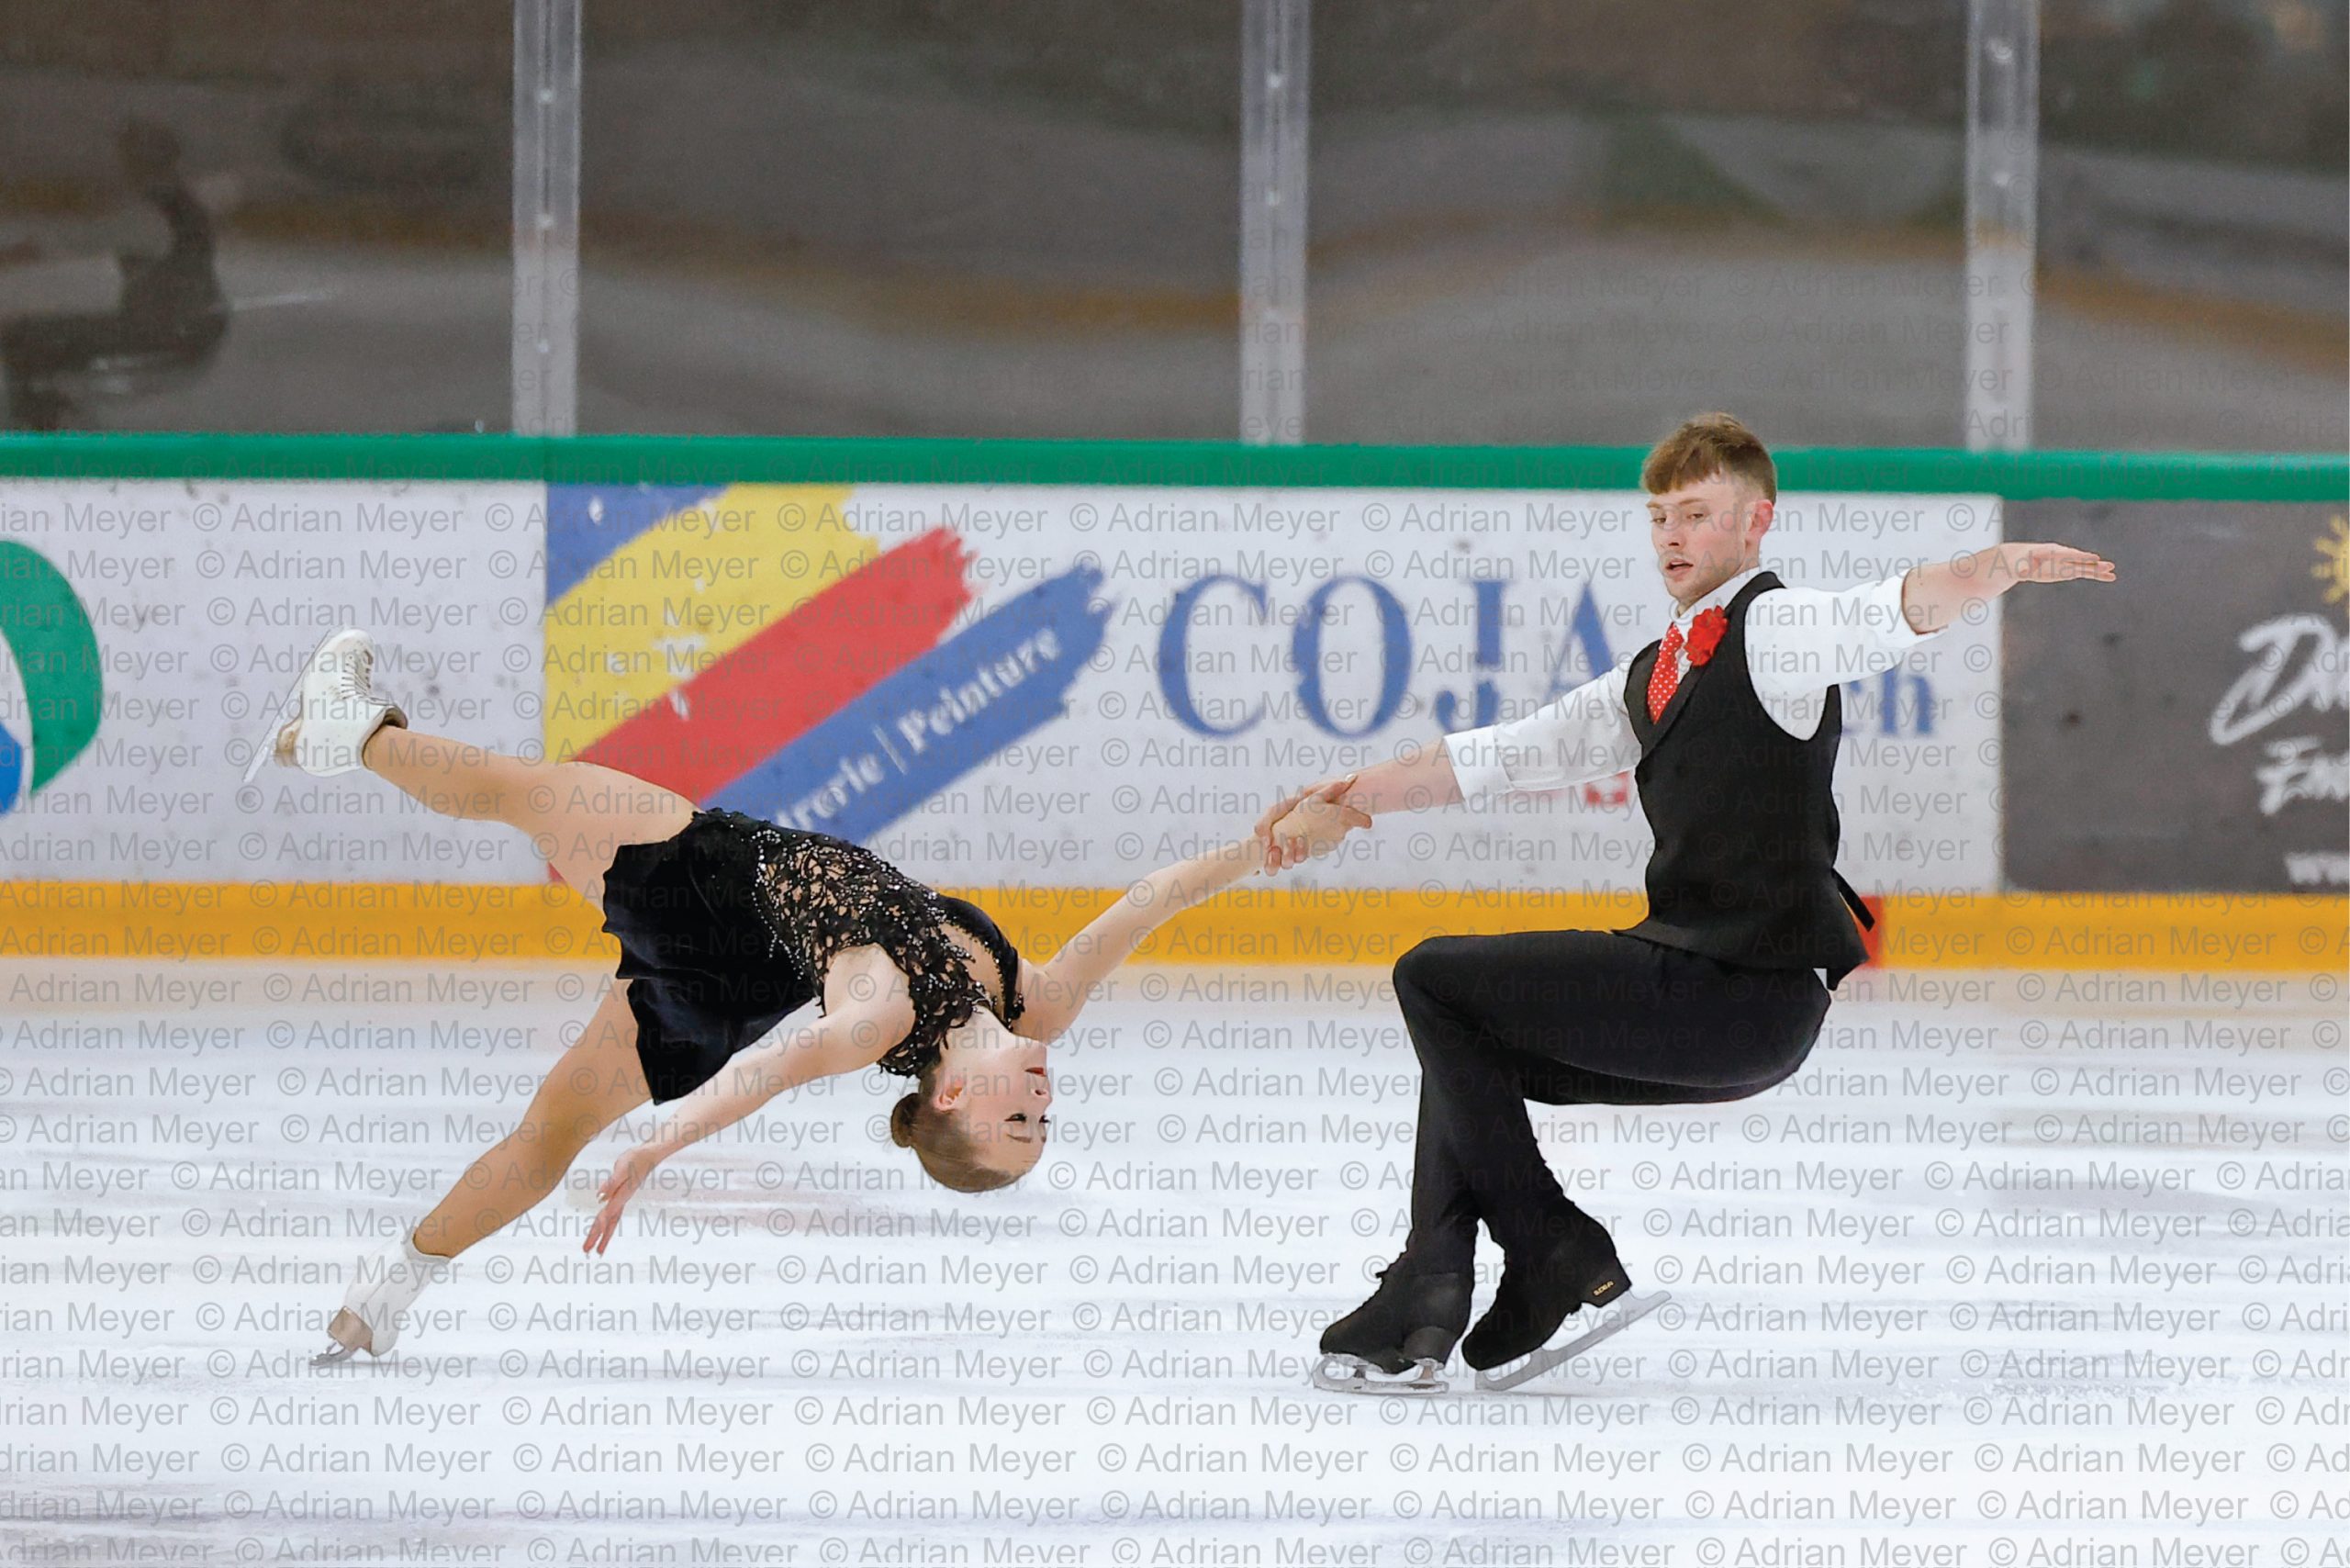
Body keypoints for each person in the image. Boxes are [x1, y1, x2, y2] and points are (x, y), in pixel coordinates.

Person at [1260, 412, 2116, 1393]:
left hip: (1739, 986)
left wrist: (1990, 568)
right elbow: (1503, 753)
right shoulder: (1657, 674)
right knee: (1465, 1044)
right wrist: (1345, 798)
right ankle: (1429, 1290)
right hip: (1713, 993)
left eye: (1697, 514)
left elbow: (1888, 612)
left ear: (1756, 522)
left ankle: (1551, 1248)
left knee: (1433, 978)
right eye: (1660, 515)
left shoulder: (1777, 629)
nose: (1671, 536)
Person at [250, 627, 1368, 1363]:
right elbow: (1147, 901)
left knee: (517, 789)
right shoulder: (1033, 1000)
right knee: (544, 1137)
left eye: (1015, 1122)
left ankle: (352, 727)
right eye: (1045, 1117)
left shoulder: (881, 1015)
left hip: (697, 884)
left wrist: (654, 1150)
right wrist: (1262, 847)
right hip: (731, 986)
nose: (1038, 1095)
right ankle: (385, 1298)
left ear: (945, 1105)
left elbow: (771, 1070)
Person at [0, 119, 228, 431]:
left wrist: (9, 257)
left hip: (163, 329)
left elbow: (68, 243)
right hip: (190, 324)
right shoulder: (183, 202)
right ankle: (51, 408)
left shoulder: (149, 215)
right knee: (40, 335)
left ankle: (39, 427)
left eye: (127, 155)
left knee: (22, 336)